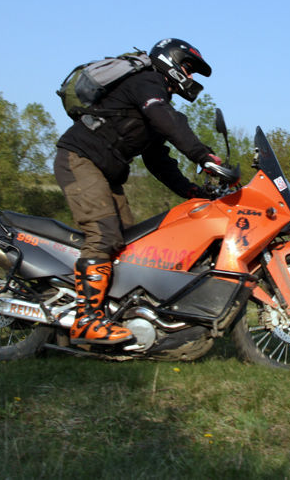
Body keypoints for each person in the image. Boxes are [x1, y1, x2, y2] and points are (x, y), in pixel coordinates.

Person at [53, 38, 222, 345]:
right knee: (103, 235)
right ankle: (86, 321)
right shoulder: (147, 83)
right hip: (79, 159)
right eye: (189, 68)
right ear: (171, 62)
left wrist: (192, 191)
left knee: (130, 245)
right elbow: (166, 120)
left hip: (104, 172)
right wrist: (203, 156)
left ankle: (116, 315)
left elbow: (158, 161)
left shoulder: (155, 103)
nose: (191, 77)